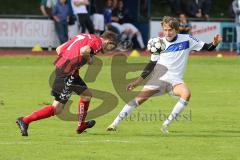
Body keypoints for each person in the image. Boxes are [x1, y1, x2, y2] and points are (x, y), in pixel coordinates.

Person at [107, 16, 222, 134]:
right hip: (158, 78)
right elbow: (151, 64)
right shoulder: (158, 43)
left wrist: (215, 43)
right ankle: (114, 124)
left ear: (176, 29)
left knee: (186, 94)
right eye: (165, 30)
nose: (167, 32)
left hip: (175, 80)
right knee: (138, 100)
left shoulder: (187, 39)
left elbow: (208, 48)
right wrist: (137, 82)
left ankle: (165, 124)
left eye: (170, 30)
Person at [16, 31, 118, 136]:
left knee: (86, 95)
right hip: (67, 73)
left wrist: (68, 60)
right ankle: (25, 120)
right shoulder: (98, 42)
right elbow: (84, 51)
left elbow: (59, 49)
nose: (110, 50)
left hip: (69, 71)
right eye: (112, 47)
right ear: (108, 41)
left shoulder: (83, 36)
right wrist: (89, 60)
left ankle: (81, 125)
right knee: (57, 109)